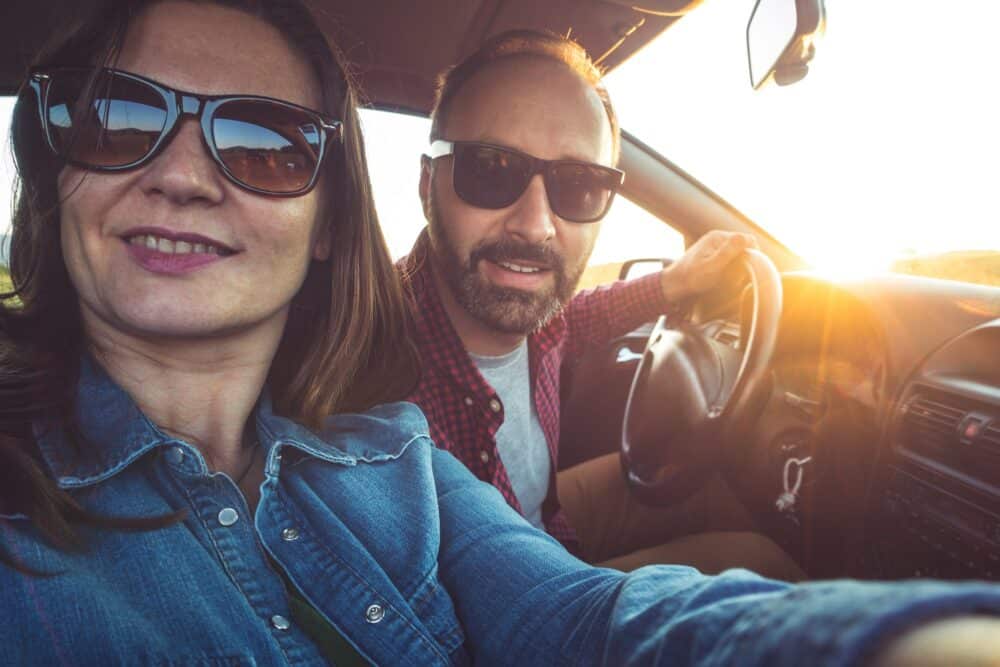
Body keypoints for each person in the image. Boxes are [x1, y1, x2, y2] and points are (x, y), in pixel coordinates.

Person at [4, 1, 1000, 665]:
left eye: (262, 145)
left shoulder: (383, 453)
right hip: (541, 528)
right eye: (118, 120)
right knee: (754, 540)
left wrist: (915, 641)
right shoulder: (387, 375)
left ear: (328, 221)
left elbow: (576, 609)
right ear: (423, 185)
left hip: (542, 524)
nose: (182, 175)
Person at [401, 29, 800, 577]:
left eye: (579, 185)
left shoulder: (537, 319)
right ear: (427, 185)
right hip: (515, 591)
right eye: (491, 170)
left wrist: (673, 284)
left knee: (710, 490)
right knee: (764, 566)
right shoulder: (376, 386)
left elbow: (579, 317)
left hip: (543, 519)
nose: (536, 225)